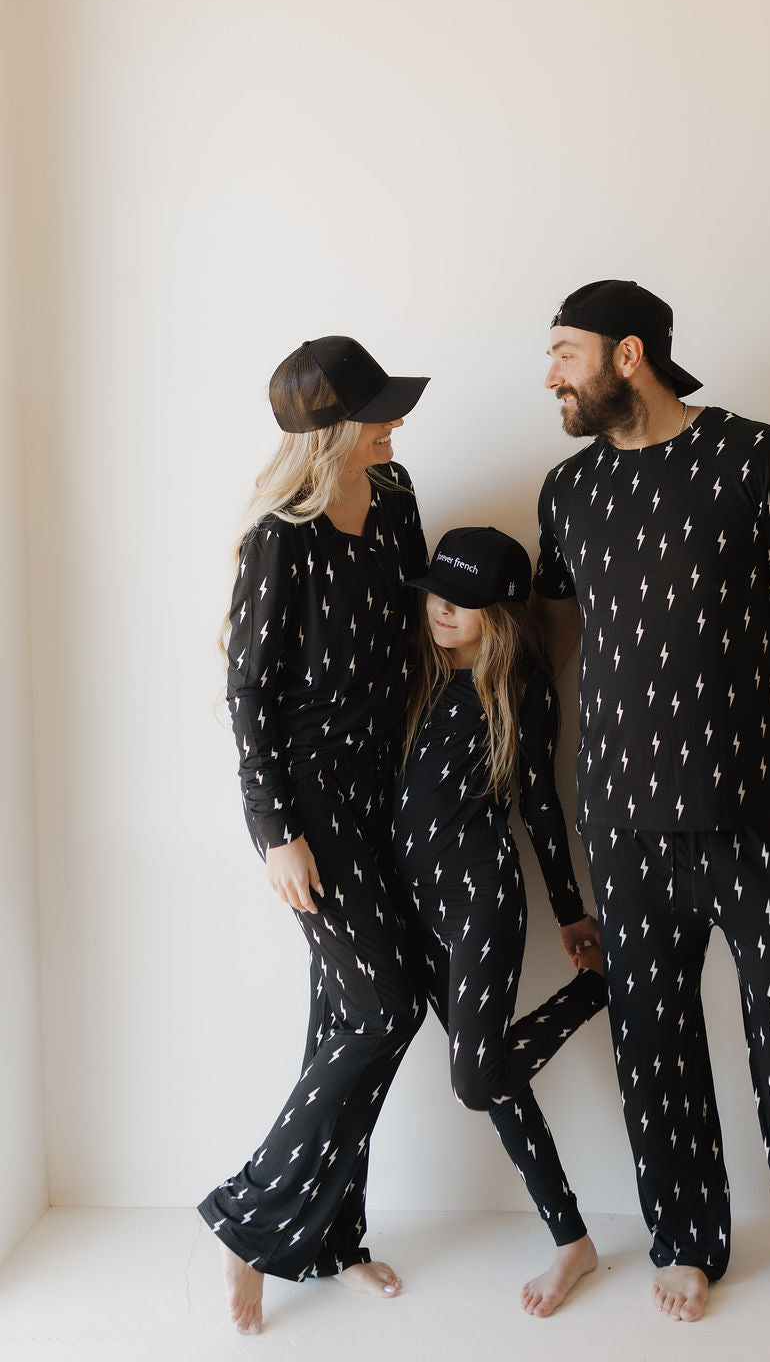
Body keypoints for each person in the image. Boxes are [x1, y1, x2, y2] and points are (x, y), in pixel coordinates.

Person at [531, 280, 770, 1345]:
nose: (549, 373)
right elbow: (562, 650)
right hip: (622, 823)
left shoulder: (758, 458)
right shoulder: (565, 493)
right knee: (651, 1049)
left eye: (564, 351)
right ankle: (685, 1243)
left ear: (628, 354)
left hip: (763, 816)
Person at [198, 336, 430, 1335]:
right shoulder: (279, 539)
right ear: (331, 429)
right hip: (313, 810)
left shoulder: (397, 496)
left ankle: (330, 1237)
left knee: (344, 1020)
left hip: (389, 791)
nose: (396, 424)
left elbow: (419, 629)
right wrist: (274, 832)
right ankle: (249, 1219)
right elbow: (247, 695)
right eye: (378, 411)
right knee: (388, 1006)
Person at [392, 526, 607, 1317]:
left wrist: (571, 910)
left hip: (481, 899)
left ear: (504, 614)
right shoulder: (410, 669)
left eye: (463, 602)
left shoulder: (517, 689)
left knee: (476, 1077)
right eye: (436, 595)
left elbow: (543, 807)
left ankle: (595, 993)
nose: (441, 611)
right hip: (411, 906)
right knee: (499, 1087)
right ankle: (572, 1239)